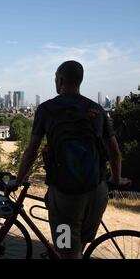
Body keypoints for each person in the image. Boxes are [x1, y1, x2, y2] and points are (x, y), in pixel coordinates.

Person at [9, 60, 131, 259]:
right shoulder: (97, 110)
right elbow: (115, 153)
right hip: (97, 192)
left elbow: (31, 152)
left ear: (61, 79)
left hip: (66, 197)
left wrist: (18, 180)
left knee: (65, 250)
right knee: (79, 246)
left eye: (55, 78)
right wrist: (116, 179)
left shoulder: (47, 109)